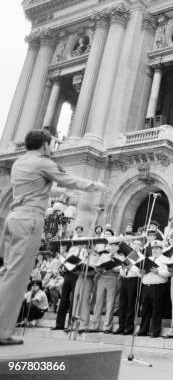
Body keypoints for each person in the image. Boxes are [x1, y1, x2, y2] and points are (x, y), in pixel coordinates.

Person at [0, 129, 105, 345]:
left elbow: (38, 188)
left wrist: (59, 194)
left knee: (7, 273)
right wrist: (94, 186)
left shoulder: (20, 163)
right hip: (30, 220)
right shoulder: (43, 162)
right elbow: (68, 179)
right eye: (50, 144)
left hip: (14, 218)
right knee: (18, 278)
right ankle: (2, 331)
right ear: (45, 145)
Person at [138, 241, 171, 338]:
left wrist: (158, 271)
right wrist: (141, 272)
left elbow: (169, 273)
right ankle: (143, 330)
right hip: (146, 286)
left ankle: (155, 331)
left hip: (158, 287)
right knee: (145, 310)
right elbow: (139, 273)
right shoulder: (148, 259)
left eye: (157, 248)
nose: (155, 250)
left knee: (156, 310)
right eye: (153, 248)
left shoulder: (166, 259)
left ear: (161, 249)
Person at [89, 242, 121, 333]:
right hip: (102, 277)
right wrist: (100, 268)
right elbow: (97, 267)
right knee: (98, 302)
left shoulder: (121, 257)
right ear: (108, 246)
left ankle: (107, 326)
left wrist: (114, 268)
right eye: (111, 245)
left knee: (110, 303)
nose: (113, 247)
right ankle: (95, 325)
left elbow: (122, 269)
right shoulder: (103, 255)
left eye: (115, 246)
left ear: (118, 247)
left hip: (113, 278)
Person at [114, 240, 142, 335]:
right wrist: (121, 270)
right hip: (125, 280)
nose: (136, 245)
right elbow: (123, 269)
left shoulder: (141, 257)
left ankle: (129, 327)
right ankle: (121, 326)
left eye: (138, 244)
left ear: (141, 246)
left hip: (133, 280)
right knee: (122, 304)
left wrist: (130, 267)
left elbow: (140, 272)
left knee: (131, 304)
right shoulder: (130, 255)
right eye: (134, 243)